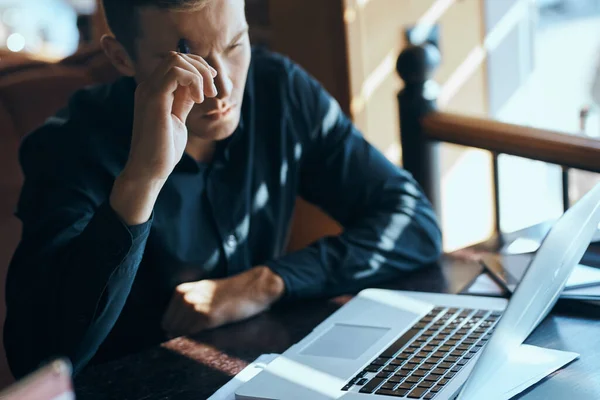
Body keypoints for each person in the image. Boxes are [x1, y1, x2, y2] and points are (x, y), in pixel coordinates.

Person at [4, 0, 442, 379]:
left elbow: (415, 224)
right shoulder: (68, 147)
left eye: (234, 46)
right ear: (122, 58)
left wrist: (265, 283)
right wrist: (142, 179)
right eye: (188, 64)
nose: (223, 89)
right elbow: (39, 360)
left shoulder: (280, 91)